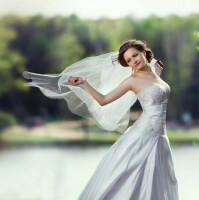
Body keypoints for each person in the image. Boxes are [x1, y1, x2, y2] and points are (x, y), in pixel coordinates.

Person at [23, 39, 179, 200]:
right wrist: (84, 82)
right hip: (144, 136)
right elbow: (103, 100)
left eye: (135, 55)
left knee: (156, 180)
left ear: (144, 52)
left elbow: (155, 92)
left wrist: (157, 73)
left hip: (160, 137)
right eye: (129, 60)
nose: (134, 61)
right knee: (127, 179)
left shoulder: (155, 73)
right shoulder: (132, 80)